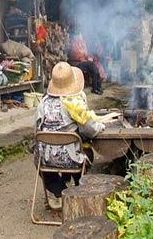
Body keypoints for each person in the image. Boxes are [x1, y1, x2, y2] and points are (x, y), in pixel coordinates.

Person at [35, 62, 106, 210]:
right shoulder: (74, 103)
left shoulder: (43, 103)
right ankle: (76, 189)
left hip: (45, 160)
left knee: (39, 160)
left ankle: (59, 191)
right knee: (86, 150)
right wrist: (100, 125)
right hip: (72, 160)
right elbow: (90, 130)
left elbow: (37, 129)